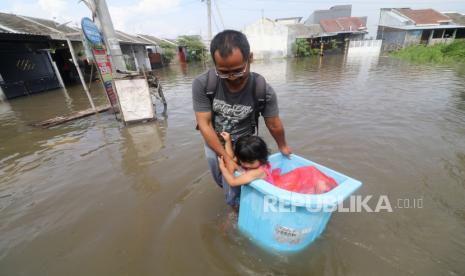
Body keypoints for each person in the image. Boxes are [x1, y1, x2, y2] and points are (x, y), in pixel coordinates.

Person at [192, 30, 291, 207]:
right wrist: (226, 158)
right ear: (214, 65)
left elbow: (273, 124)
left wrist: (282, 146)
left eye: (238, 71)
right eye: (223, 72)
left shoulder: (262, 89)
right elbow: (204, 124)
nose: (231, 78)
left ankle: (237, 210)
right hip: (215, 142)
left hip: (244, 146)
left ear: (250, 58)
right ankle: (234, 201)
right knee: (222, 180)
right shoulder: (202, 84)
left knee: (243, 182)